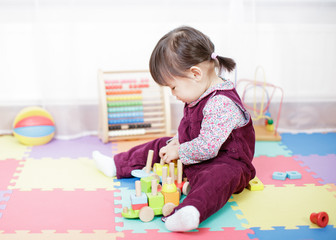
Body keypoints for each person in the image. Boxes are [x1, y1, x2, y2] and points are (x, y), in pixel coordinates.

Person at [93, 26, 256, 232]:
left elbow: (208, 148)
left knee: (218, 179)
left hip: (224, 162)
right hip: (193, 154)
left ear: (195, 73)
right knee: (161, 144)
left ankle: (190, 212)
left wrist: (179, 151)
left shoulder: (221, 104)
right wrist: (177, 142)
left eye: (173, 87)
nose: (172, 94)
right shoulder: (198, 90)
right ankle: (118, 164)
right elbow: (187, 125)